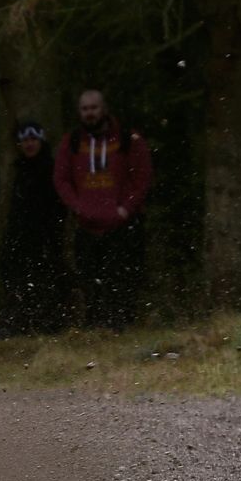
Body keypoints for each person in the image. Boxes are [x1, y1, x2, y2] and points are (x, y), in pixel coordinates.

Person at [54, 89, 152, 329]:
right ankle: (95, 329)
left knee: (122, 281)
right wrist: (77, 206)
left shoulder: (129, 139)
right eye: (84, 109)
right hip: (87, 225)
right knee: (90, 282)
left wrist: (126, 209)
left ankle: (123, 328)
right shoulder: (72, 142)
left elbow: (142, 178)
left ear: (104, 108)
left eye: (94, 108)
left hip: (122, 225)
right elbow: (61, 178)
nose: (89, 113)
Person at [0, 120, 67, 333]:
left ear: (41, 141)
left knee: (45, 281)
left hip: (45, 238)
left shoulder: (51, 169)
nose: (29, 144)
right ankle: (19, 325)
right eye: (25, 140)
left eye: (33, 139)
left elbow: (57, 208)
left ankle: (48, 324)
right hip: (20, 238)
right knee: (18, 282)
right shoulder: (19, 170)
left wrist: (51, 235)